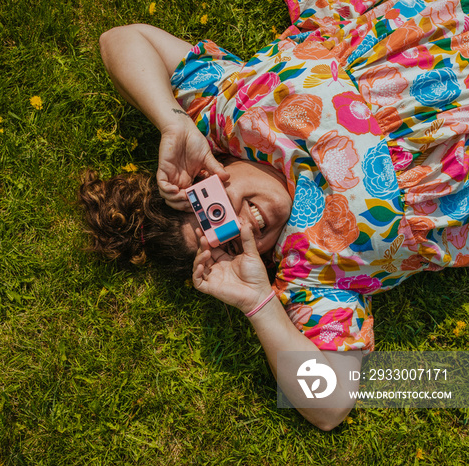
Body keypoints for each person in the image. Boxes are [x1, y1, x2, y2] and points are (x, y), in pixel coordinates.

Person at [79, 0, 469, 430]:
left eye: (216, 211)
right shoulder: (309, 273)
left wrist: (174, 124)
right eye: (230, 242)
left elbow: (120, 39)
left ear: (202, 177)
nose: (245, 225)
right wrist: (258, 302)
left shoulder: (226, 111)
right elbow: (329, 406)